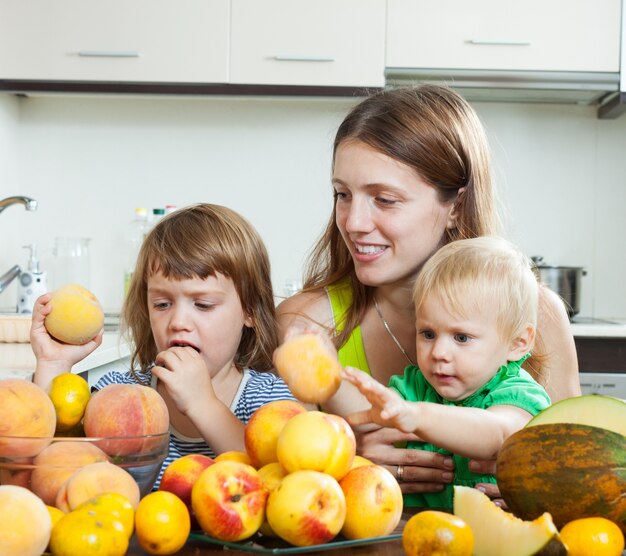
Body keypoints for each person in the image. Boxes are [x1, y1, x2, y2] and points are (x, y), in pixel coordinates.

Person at [277, 84, 579, 500]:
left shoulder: (536, 314)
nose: (353, 222)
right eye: (342, 195)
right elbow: (284, 480)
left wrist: (533, 483)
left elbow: (582, 471)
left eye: (384, 199)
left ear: (455, 206)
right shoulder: (308, 326)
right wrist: (348, 456)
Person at [32, 203, 296, 484]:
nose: (178, 321)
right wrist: (54, 364)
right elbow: (51, 469)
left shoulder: (268, 400)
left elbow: (277, 484)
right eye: (162, 304)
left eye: (203, 304)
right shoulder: (118, 392)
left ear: (250, 311)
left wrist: (202, 404)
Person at [342, 236, 551, 509]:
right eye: (428, 333)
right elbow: (366, 415)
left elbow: (496, 434)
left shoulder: (517, 393)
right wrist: (329, 375)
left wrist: (417, 415)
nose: (438, 352)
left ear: (517, 343)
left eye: (462, 338)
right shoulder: (416, 387)